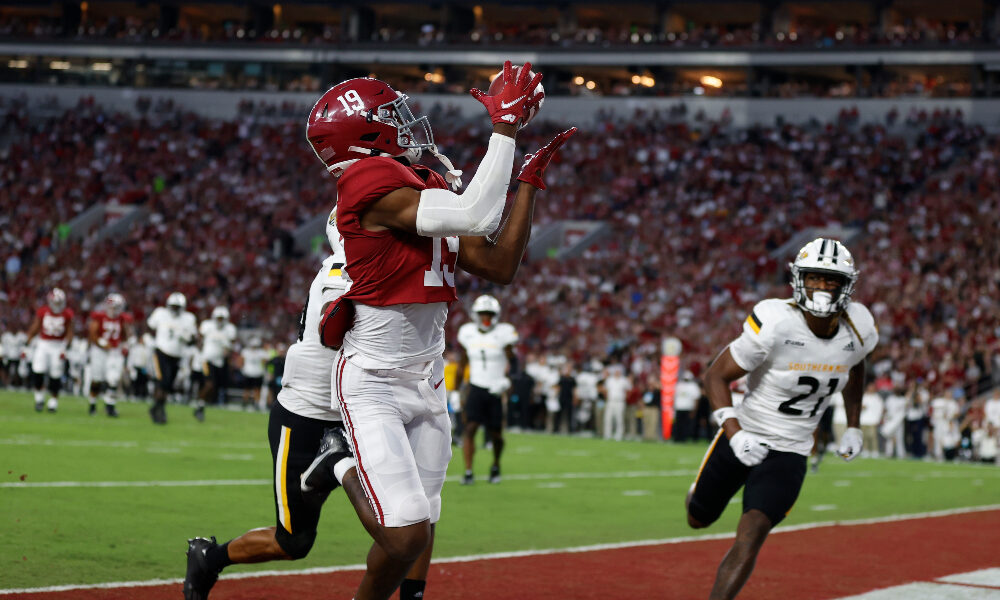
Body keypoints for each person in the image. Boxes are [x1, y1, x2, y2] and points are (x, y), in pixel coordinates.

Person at [309, 64, 572, 600]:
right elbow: (475, 214)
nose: (407, 123)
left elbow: (496, 264)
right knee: (404, 536)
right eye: (392, 116)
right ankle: (335, 459)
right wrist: (504, 131)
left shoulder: (415, 182)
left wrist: (525, 184)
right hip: (374, 380)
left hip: (427, 380)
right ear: (363, 133)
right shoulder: (366, 181)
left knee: (419, 530)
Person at [184, 213, 371, 600]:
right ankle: (210, 558)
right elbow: (334, 332)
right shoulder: (342, 269)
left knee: (399, 513)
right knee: (294, 541)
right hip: (307, 413)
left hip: (353, 415)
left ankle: (329, 469)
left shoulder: (368, 266)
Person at [685, 238, 877, 600]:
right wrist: (736, 433)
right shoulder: (775, 321)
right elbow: (715, 376)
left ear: (847, 284)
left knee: (751, 533)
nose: (822, 287)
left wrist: (853, 423)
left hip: (791, 449)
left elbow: (856, 364)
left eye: (831, 280)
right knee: (698, 518)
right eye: (816, 278)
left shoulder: (860, 326)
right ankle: (697, 494)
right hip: (744, 434)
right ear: (799, 280)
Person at [455, 294, 520, 484]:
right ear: (475, 315)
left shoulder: (504, 333)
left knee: (496, 434)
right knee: (470, 428)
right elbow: (462, 364)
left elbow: (514, 362)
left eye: (489, 314)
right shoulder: (468, 333)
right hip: (476, 387)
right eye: (483, 314)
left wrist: (507, 381)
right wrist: (456, 390)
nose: (486, 318)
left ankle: (496, 465)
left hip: (495, 389)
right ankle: (468, 471)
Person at [146, 292, 198, 424]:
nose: (174, 309)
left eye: (177, 306)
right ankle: (159, 410)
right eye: (173, 306)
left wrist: (186, 337)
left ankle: (156, 407)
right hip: (161, 352)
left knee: (168, 385)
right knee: (162, 382)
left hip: (177, 355)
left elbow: (193, 339)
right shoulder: (160, 313)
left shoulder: (188, 318)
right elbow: (150, 326)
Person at [25, 288, 74, 413]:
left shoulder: (67, 314)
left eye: (59, 302)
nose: (57, 305)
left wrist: (65, 347)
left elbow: (69, 332)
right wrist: (27, 342)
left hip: (58, 345)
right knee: (38, 370)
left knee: (55, 374)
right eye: (55, 302)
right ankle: (39, 398)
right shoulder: (43, 311)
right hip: (44, 343)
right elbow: (36, 327)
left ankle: (53, 402)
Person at [86, 293, 132, 417]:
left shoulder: (123, 319)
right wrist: (101, 342)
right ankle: (92, 403)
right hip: (99, 351)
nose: (114, 310)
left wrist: (126, 345)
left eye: (116, 307)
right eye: (112, 306)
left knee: (114, 379)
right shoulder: (99, 317)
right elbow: (92, 333)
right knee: (97, 379)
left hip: (114, 351)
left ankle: (110, 405)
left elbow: (126, 335)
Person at [195, 306, 238, 421]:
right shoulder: (207, 326)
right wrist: (200, 350)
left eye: (221, 318)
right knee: (209, 384)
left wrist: (227, 351)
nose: (219, 321)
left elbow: (231, 344)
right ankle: (199, 405)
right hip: (206, 359)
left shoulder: (229, 329)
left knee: (214, 388)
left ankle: (201, 405)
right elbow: (199, 337)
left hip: (219, 362)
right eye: (218, 318)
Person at [238, 337, 269, 410]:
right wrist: (242, 369)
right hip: (248, 373)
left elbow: (265, 362)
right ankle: (245, 403)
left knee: (256, 390)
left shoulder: (262, 352)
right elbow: (241, 361)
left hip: (258, 373)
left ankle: (256, 403)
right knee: (247, 389)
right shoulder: (245, 351)